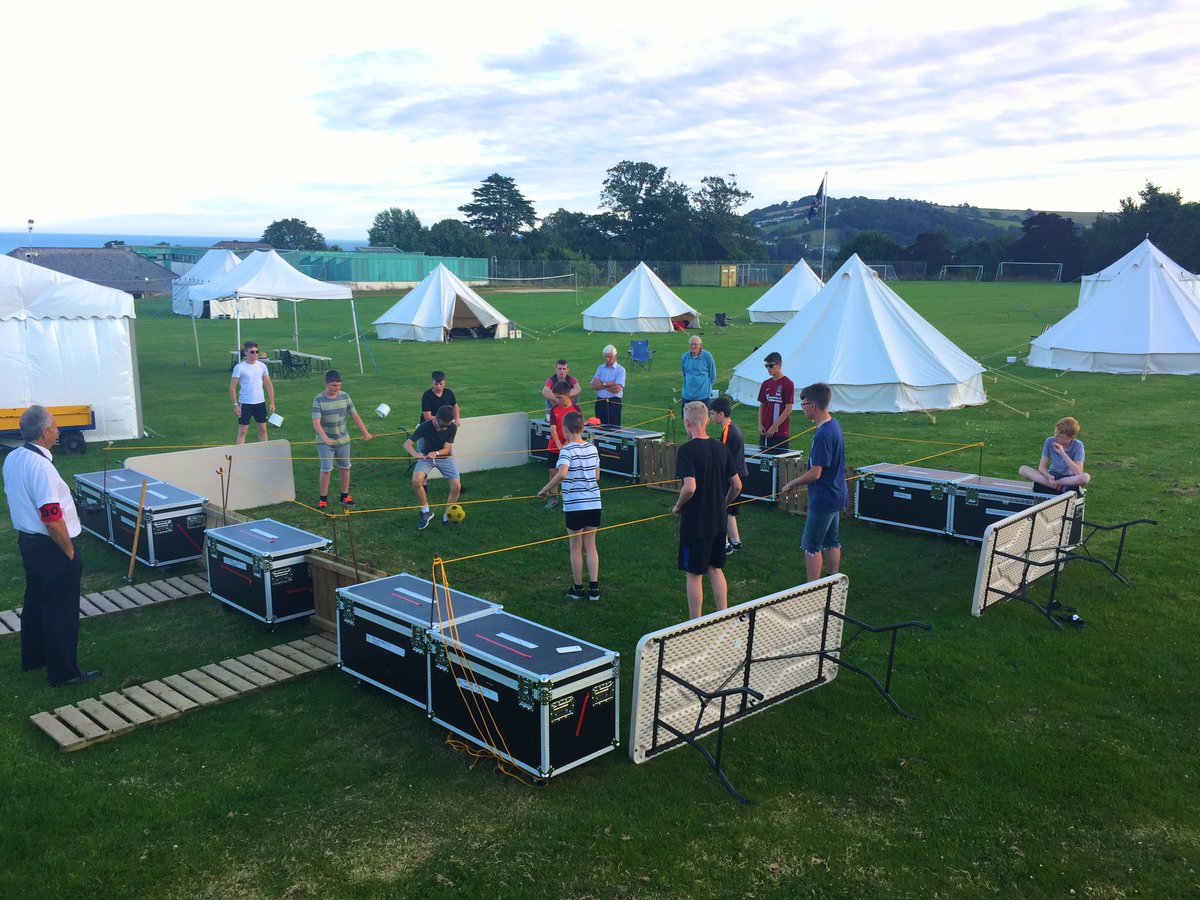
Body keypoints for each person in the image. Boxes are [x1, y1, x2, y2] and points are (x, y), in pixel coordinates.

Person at [2, 405, 99, 686]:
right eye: (55, 427)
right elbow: (51, 516)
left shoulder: (14, 456)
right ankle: (65, 673)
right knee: (61, 611)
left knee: (35, 602)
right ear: (45, 432)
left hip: (28, 542)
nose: (58, 431)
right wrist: (68, 551)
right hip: (51, 546)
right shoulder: (41, 466)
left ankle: (34, 658)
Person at [672, 401, 742, 619]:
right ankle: (723, 616)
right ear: (707, 421)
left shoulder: (687, 450)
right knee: (715, 568)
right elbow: (737, 485)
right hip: (718, 520)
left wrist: (678, 506)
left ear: (687, 423)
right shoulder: (721, 448)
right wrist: (724, 503)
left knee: (694, 573)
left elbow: (690, 487)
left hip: (696, 521)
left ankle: (695, 623)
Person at [780, 383, 847, 582]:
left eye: (803, 404)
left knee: (811, 545)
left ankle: (812, 589)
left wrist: (792, 483)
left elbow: (816, 473)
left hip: (824, 497)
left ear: (813, 406)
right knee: (831, 541)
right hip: (836, 493)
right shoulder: (833, 425)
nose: (802, 408)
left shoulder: (824, 434)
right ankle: (832, 582)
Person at [538, 410, 602, 600]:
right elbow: (597, 475)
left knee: (575, 546)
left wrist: (546, 489)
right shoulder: (592, 448)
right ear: (582, 428)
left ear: (565, 430)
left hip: (575, 505)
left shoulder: (567, 450)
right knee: (591, 545)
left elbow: (562, 473)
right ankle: (594, 589)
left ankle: (578, 588)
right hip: (594, 503)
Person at [312, 369, 373, 510]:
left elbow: (354, 415)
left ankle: (344, 497)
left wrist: (365, 432)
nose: (336, 388)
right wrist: (325, 438)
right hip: (325, 442)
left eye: (339, 385)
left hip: (343, 440)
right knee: (326, 469)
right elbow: (316, 423)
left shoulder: (345, 397)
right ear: (326, 384)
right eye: (333, 385)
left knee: (345, 468)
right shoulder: (318, 400)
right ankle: (323, 500)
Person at [404, 406, 462, 529]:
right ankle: (426, 511)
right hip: (427, 458)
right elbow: (407, 444)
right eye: (442, 426)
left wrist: (436, 453)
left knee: (457, 486)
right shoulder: (425, 426)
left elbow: (447, 449)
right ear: (436, 419)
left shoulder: (452, 427)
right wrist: (415, 454)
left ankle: (448, 515)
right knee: (416, 481)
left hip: (445, 457)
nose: (444, 428)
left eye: (447, 426)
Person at [710, 396, 748, 554]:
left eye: (713, 413)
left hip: (731, 476)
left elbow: (722, 454)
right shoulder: (735, 427)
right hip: (741, 473)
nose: (711, 417)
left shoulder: (727, 431)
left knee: (721, 508)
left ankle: (724, 544)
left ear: (721, 414)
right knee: (730, 510)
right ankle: (736, 542)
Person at [1019, 416, 1092, 493]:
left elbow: (1078, 472)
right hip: (1052, 475)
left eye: (1060, 436)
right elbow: (1042, 467)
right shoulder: (1050, 441)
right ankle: (1059, 487)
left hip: (1068, 479)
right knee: (1023, 469)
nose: (1056, 437)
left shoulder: (1078, 445)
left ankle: (1055, 485)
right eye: (1055, 433)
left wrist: (1063, 454)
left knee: (1085, 477)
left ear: (1071, 438)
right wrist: (1048, 476)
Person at [543, 381, 581, 509]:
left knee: (570, 472)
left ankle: (571, 496)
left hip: (571, 446)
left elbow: (579, 428)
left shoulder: (576, 409)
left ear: (568, 395)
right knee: (553, 472)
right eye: (556, 397)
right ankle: (554, 498)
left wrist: (567, 442)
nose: (557, 400)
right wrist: (559, 444)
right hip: (554, 446)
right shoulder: (554, 409)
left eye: (560, 397)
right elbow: (553, 428)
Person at [230, 340, 276, 444]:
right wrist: (235, 404)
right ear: (246, 353)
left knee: (263, 430)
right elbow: (232, 386)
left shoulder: (262, 366)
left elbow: (269, 384)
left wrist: (272, 402)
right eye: (252, 352)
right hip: (246, 403)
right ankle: (240, 451)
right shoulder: (239, 367)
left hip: (260, 402)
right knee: (243, 431)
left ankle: (264, 450)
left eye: (256, 351)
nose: (255, 354)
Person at [757, 351, 794, 452]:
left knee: (779, 458)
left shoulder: (788, 384)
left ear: (779, 365)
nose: (768, 368)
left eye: (771, 366)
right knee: (763, 457)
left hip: (780, 432)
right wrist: (760, 424)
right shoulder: (765, 384)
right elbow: (762, 405)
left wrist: (774, 427)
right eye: (766, 366)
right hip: (765, 429)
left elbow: (788, 408)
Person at [590, 344, 626, 427]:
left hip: (613, 402)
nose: (607, 359)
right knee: (599, 427)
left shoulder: (621, 370)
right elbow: (594, 386)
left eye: (610, 357)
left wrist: (602, 384)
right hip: (600, 402)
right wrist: (609, 384)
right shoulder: (600, 368)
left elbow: (617, 389)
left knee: (613, 428)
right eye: (605, 357)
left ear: (615, 356)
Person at [680, 336, 717, 411]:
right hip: (687, 395)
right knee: (687, 417)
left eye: (695, 344)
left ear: (700, 345)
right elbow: (684, 374)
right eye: (691, 344)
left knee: (702, 417)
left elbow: (712, 375)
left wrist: (707, 387)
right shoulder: (685, 357)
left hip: (703, 396)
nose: (693, 346)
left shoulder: (707, 356)